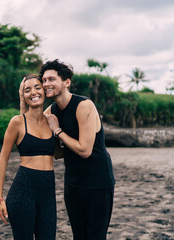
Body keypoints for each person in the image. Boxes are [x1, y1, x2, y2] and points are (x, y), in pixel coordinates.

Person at [20, 59, 116, 240]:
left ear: (66, 82)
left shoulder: (84, 106)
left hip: (98, 182)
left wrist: (57, 131)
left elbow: (85, 150)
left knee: (95, 236)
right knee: (79, 236)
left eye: (51, 79)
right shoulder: (50, 112)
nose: (46, 84)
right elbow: (27, 127)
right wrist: (21, 98)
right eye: (44, 80)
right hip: (73, 183)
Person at [0, 74, 58, 240]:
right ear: (23, 95)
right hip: (23, 191)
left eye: (37, 88)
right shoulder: (17, 122)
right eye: (27, 90)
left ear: (44, 91)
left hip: (48, 193)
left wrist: (58, 130)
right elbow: (3, 159)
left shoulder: (52, 121)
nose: (33, 93)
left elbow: (60, 153)